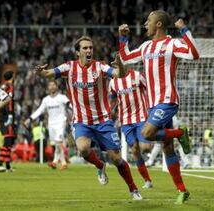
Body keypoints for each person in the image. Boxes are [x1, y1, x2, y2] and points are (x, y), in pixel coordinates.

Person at [33, 36, 142, 200]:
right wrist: (40, 72)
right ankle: (100, 165)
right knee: (83, 149)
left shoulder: (100, 67)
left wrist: (119, 64)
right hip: (81, 120)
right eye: (85, 48)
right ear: (77, 52)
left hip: (103, 120)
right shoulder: (69, 67)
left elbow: (119, 74)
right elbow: (48, 73)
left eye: (90, 47)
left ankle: (133, 188)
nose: (89, 50)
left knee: (116, 158)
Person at [118, 10, 199, 204]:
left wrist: (184, 29)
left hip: (168, 100)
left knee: (146, 133)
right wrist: (123, 38)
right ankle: (182, 190)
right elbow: (126, 58)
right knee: (167, 147)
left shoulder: (173, 44)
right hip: (153, 105)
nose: (145, 24)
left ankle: (180, 133)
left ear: (159, 24)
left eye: (149, 21)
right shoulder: (146, 47)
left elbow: (194, 54)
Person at [109, 54, 154, 189]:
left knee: (145, 148)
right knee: (134, 150)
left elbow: (150, 90)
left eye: (120, 64)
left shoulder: (137, 76)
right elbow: (113, 99)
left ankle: (158, 136)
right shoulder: (113, 82)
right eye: (116, 65)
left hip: (141, 117)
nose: (118, 67)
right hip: (125, 121)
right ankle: (147, 180)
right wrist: (110, 110)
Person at [25, 80, 69, 170]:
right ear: (48, 88)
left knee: (58, 141)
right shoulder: (46, 100)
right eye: (50, 85)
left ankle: (56, 161)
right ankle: (62, 162)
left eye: (54, 85)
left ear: (57, 87)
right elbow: (40, 110)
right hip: (51, 124)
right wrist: (30, 119)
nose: (52, 87)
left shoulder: (62, 97)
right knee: (57, 143)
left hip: (61, 122)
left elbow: (70, 104)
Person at [0, 70, 16, 172]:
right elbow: (9, 103)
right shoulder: (9, 86)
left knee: (10, 140)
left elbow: (0, 101)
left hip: (4, 115)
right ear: (13, 76)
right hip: (8, 116)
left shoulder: (3, 86)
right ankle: (0, 163)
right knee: (8, 140)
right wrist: (10, 115)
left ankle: (7, 165)